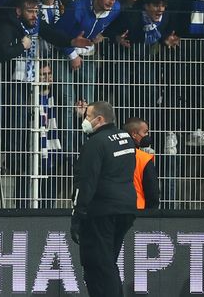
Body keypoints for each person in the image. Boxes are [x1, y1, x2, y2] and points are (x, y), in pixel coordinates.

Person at [71, 101, 137, 296]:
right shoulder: (125, 138)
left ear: (99, 119)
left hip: (101, 211)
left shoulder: (95, 144)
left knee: (97, 267)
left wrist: (77, 215)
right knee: (108, 264)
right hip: (126, 208)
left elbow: (86, 182)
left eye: (88, 116)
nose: (84, 120)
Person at [125, 117, 160, 211]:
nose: (147, 136)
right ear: (134, 134)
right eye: (145, 132)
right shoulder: (143, 158)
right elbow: (152, 192)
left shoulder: (112, 154)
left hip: (115, 209)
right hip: (139, 210)